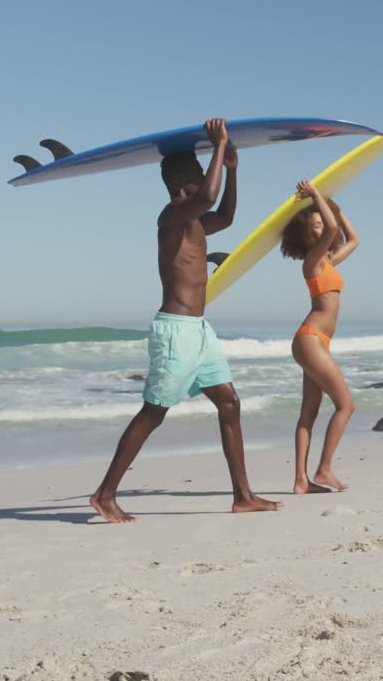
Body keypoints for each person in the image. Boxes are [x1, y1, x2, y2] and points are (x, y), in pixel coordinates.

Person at [90, 118, 281, 523]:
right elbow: (209, 199)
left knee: (229, 403)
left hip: (199, 330)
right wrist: (219, 146)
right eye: (198, 172)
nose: (202, 178)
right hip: (175, 332)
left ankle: (243, 495)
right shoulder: (171, 217)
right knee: (154, 412)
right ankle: (105, 494)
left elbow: (225, 215)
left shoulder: (195, 222)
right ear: (180, 181)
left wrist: (231, 170)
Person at [278, 180, 359, 494]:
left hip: (316, 341)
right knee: (346, 406)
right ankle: (324, 470)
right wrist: (315, 196)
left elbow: (352, 238)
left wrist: (335, 207)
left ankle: (301, 481)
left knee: (308, 413)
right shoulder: (311, 262)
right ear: (303, 236)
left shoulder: (327, 261)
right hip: (310, 339)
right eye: (312, 227)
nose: (319, 230)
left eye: (319, 225)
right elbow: (332, 228)